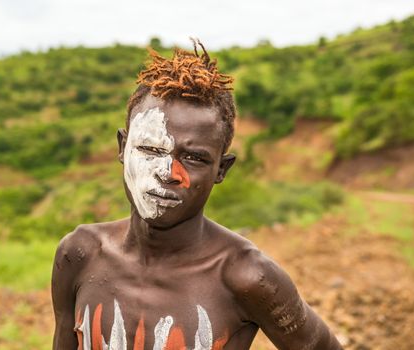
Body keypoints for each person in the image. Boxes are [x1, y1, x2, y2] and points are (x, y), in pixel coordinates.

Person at [51, 40, 342, 350]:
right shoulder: (79, 255)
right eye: (150, 149)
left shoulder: (246, 277)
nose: (168, 172)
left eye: (194, 158)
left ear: (221, 169)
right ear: (123, 148)